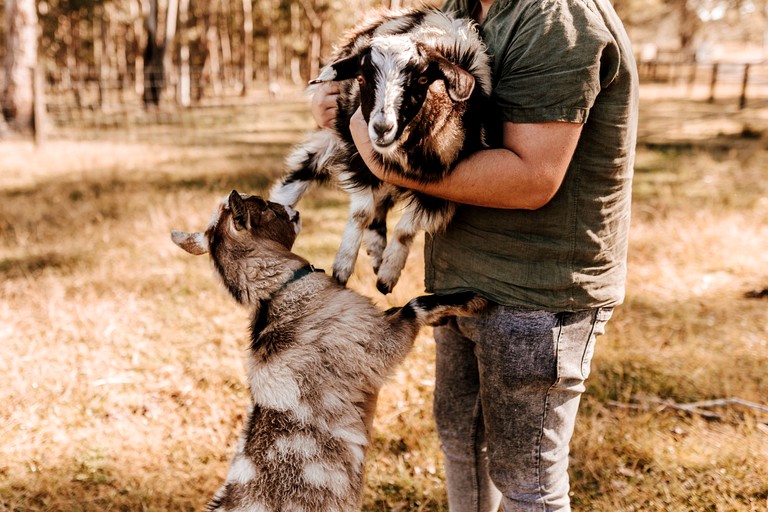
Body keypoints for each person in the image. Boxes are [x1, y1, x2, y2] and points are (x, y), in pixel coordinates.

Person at [312, 0, 638, 508]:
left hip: (535, 294)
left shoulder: (558, 19)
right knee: (463, 445)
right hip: (460, 278)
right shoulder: (461, 7)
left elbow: (532, 177)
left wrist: (366, 139)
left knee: (527, 481)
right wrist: (338, 100)